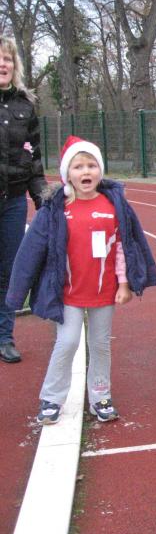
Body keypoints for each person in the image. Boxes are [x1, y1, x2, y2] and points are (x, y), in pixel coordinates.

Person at [6, 136, 156, 424]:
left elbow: (124, 246)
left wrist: (124, 284)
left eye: (91, 165)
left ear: (100, 170)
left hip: (104, 291)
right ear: (67, 173)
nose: (85, 172)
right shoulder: (55, 209)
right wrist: (16, 294)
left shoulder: (114, 205)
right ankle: (52, 398)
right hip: (67, 293)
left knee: (100, 344)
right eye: (78, 167)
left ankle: (100, 396)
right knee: (67, 342)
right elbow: (30, 251)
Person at [0, 35, 47, 364]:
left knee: (9, 271)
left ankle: (4, 336)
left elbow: (34, 159)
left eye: (7, 58)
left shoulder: (25, 106)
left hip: (13, 201)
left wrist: (45, 201)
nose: (2, 64)